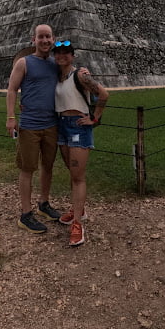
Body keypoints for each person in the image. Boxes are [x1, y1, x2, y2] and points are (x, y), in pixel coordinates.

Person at [6, 24, 63, 234]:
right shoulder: (24, 63)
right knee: (27, 169)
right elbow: (12, 90)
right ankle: (25, 213)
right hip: (30, 124)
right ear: (34, 40)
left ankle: (44, 204)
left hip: (51, 124)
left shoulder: (55, 64)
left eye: (48, 37)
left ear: (53, 39)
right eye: (41, 37)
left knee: (48, 166)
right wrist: (11, 117)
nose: (45, 40)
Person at [53, 40, 109, 247]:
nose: (61, 56)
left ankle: (78, 223)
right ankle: (79, 209)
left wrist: (94, 118)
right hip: (61, 126)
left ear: (73, 55)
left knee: (78, 177)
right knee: (72, 171)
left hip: (77, 126)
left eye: (66, 53)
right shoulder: (57, 76)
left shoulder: (81, 75)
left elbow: (103, 94)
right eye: (58, 53)